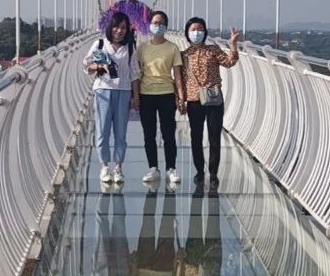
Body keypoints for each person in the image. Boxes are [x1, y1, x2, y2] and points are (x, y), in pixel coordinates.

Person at [180, 18, 239, 186]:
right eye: (193, 30)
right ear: (187, 33)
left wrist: (233, 45)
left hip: (214, 100)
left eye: (200, 29)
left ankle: (213, 174)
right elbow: (181, 80)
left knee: (214, 137)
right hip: (194, 101)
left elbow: (229, 62)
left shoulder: (213, 50)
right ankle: (199, 172)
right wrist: (181, 100)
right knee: (196, 137)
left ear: (205, 32)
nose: (196, 33)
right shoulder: (184, 55)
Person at [84, 12, 141, 184]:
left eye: (123, 27)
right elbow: (86, 66)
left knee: (120, 133)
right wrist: (100, 66)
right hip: (103, 90)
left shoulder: (130, 47)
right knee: (102, 131)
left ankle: (118, 167)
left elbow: (134, 74)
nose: (119, 31)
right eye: (116, 26)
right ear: (110, 27)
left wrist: (136, 96)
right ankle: (104, 167)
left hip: (123, 92)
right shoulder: (100, 44)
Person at [137, 10, 185, 185]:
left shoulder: (173, 48)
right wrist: (134, 96)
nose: (157, 26)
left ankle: (171, 168)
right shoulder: (142, 48)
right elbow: (137, 73)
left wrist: (181, 98)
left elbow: (178, 76)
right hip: (146, 95)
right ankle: (153, 168)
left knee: (168, 134)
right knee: (148, 134)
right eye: (155, 23)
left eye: (161, 23)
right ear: (149, 25)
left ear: (166, 26)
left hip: (166, 94)